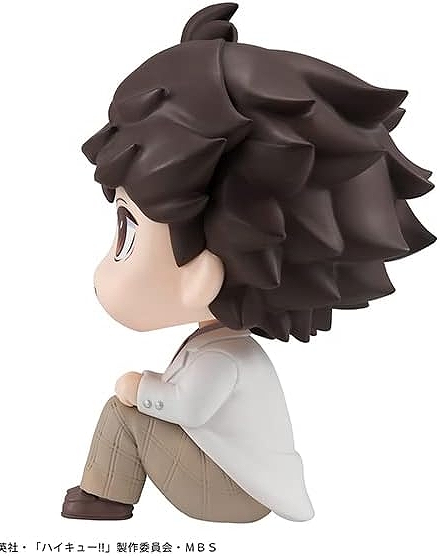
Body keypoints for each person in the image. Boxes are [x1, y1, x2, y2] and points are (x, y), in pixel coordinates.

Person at [61, 3, 435, 523]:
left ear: (204, 269)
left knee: (123, 411)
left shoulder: (225, 357)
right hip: (231, 476)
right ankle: (103, 495)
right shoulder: (220, 345)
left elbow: (186, 407)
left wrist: (138, 387)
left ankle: (102, 498)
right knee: (130, 411)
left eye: (128, 230)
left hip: (233, 492)